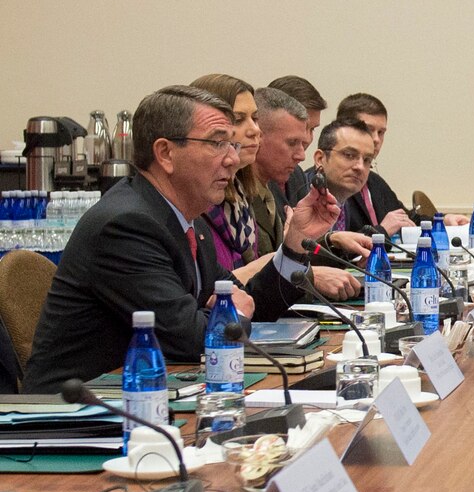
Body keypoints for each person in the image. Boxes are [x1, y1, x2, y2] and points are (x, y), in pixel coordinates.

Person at [23, 85, 339, 393]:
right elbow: (193, 337)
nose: (232, 159)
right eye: (217, 144)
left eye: (232, 145)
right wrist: (234, 311)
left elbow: (240, 302)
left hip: (147, 399)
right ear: (166, 153)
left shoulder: (185, 220)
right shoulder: (125, 225)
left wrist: (295, 245)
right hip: (75, 416)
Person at [252, 87, 364, 300]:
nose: (302, 155)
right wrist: (309, 275)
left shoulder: (283, 180)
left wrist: (329, 241)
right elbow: (243, 280)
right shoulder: (231, 196)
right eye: (293, 143)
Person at [189, 74, 262, 271]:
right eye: (238, 120)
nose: (254, 130)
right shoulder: (197, 203)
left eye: (255, 118)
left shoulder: (242, 196)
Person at [333, 93, 416, 235]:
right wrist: (381, 231)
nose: (376, 139)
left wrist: (442, 221)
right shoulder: (333, 181)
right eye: (369, 129)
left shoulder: (373, 180)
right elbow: (337, 246)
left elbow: (404, 217)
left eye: (381, 132)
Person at [269, 75, 326, 206]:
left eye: (312, 129)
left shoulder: (297, 175)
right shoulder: (245, 179)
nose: (307, 138)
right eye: (303, 128)